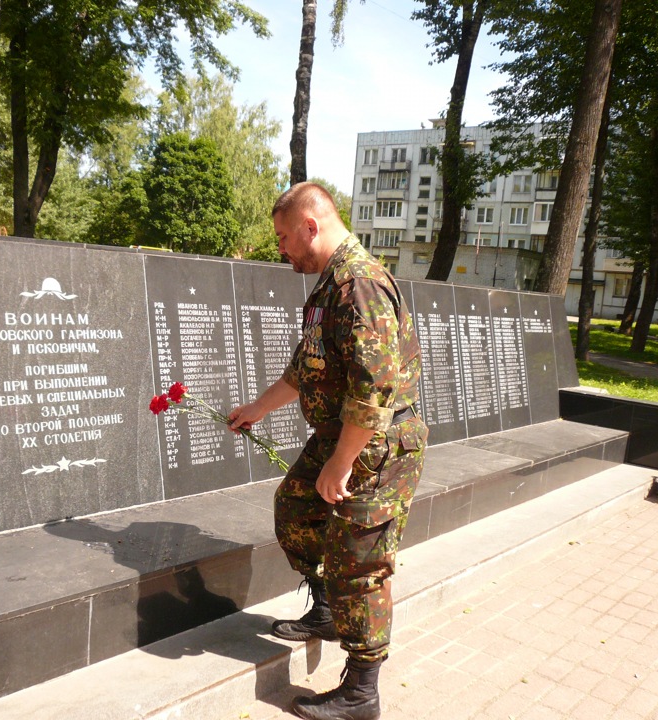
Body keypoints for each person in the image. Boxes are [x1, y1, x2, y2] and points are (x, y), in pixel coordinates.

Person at [228, 182, 427, 720]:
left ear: (311, 227)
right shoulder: (330, 284)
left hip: (375, 446)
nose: (281, 248)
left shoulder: (358, 286)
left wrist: (341, 462)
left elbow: (375, 389)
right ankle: (328, 612)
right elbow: (306, 367)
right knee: (295, 508)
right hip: (343, 436)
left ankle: (362, 691)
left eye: (285, 237)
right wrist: (259, 408)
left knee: (359, 563)